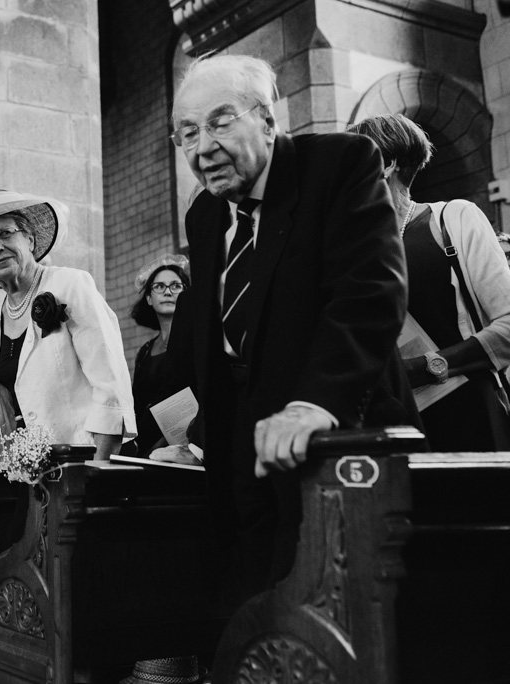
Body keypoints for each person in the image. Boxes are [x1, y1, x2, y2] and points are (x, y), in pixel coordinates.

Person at [169, 54, 418, 607]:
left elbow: (370, 292)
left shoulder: (340, 164)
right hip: (241, 454)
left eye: (219, 121)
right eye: (186, 132)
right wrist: (198, 438)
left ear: (267, 119)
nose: (201, 146)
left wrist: (315, 403)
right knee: (252, 612)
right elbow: (226, 340)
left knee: (339, 616)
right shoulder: (205, 215)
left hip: (333, 436)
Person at [0, 189, 136, 458]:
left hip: (84, 457)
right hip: (33, 467)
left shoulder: (70, 284)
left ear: (30, 239)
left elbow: (110, 383)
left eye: (5, 233)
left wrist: (99, 469)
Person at [348, 114, 510, 451]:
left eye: (350, 159)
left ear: (387, 164)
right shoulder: (352, 250)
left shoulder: (453, 219)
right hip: (397, 427)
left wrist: (424, 367)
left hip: (469, 415)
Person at [128, 254, 196, 459]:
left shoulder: (197, 342)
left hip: (186, 447)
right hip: (146, 448)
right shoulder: (145, 350)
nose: (168, 291)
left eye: (175, 285)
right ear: (149, 298)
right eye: (159, 286)